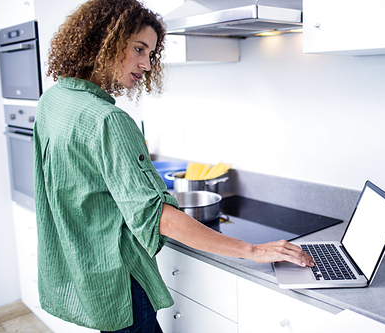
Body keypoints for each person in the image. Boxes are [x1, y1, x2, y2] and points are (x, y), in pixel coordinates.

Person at [34, 0, 315, 332]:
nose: (147, 64)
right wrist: (252, 249)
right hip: (120, 280)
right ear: (105, 39)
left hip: (85, 272)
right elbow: (159, 217)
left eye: (150, 54)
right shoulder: (107, 120)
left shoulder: (54, 100)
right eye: (139, 49)